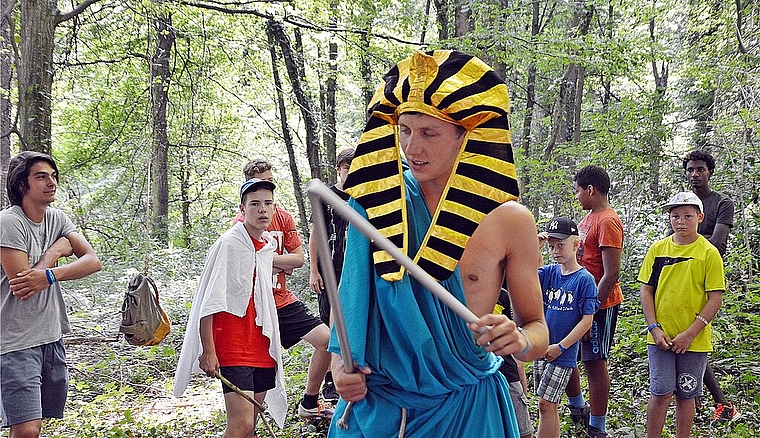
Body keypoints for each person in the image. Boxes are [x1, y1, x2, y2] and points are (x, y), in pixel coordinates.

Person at [328, 50, 548, 437]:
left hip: (469, 409)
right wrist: (337, 368)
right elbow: (349, 304)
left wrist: (520, 339)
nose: (413, 148)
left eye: (429, 133)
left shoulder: (511, 221)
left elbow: (537, 330)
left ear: (467, 134)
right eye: (405, 130)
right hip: (383, 408)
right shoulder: (375, 205)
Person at [173, 178, 288, 434]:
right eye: (255, 204)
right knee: (241, 424)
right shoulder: (229, 243)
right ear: (242, 208)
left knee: (251, 427)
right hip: (232, 344)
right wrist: (208, 351)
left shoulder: (266, 247)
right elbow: (209, 301)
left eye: (268, 204)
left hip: (261, 344)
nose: (262, 210)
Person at [1, 151, 102, 437]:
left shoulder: (58, 217)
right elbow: (25, 286)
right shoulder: (9, 223)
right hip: (15, 342)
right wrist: (55, 253)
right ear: (22, 185)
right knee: (26, 428)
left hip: (50, 335)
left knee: (35, 424)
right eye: (41, 177)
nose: (51, 182)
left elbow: (93, 260)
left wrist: (49, 273)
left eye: (53, 176)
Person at [236, 159, 334, 420]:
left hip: (282, 299)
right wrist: (278, 262)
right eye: (259, 184)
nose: (263, 203)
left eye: (270, 183)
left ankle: (310, 402)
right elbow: (245, 263)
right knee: (259, 368)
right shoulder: (241, 221)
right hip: (254, 304)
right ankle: (249, 424)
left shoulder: (282, 216)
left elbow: (298, 259)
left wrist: (268, 260)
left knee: (327, 340)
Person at [638, 191, 725, 438]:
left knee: (688, 392)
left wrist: (690, 333)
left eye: (687, 216)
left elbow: (715, 298)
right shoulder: (657, 249)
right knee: (661, 391)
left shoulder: (708, 253)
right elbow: (647, 290)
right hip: (661, 337)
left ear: (700, 217)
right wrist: (654, 328)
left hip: (694, 341)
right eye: (675, 216)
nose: (681, 221)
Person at [676, 149, 739, 425]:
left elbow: (718, 242)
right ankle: (702, 396)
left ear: (709, 172)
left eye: (700, 169)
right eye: (690, 170)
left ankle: (721, 402)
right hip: (679, 278)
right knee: (684, 334)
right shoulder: (682, 204)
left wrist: (693, 241)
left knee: (696, 335)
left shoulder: (721, 203)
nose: (694, 174)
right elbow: (673, 240)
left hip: (707, 278)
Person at [565, 164, 623, 438]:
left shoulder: (608, 220)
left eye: (578, 190)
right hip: (577, 300)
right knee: (567, 352)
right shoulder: (588, 218)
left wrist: (590, 310)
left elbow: (611, 273)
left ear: (590, 189)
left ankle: (597, 426)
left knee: (594, 361)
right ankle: (578, 407)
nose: (576, 196)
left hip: (600, 303)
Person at [534, 217, 599, 438]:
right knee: (546, 405)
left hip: (562, 351)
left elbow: (586, 321)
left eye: (560, 245)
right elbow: (528, 275)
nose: (555, 251)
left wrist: (561, 347)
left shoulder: (584, 279)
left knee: (546, 402)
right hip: (542, 347)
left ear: (575, 244)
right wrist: (537, 247)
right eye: (552, 246)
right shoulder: (550, 273)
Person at [308, 148, 354, 402]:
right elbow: (317, 233)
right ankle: (329, 380)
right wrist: (314, 270)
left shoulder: (362, 195)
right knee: (328, 324)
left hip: (354, 268)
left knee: (351, 320)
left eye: (353, 166)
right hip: (330, 268)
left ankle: (348, 369)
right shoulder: (327, 196)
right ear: (338, 168)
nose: (349, 171)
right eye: (346, 167)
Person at [495, 289, 536, 438]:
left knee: (522, 431)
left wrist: (522, 391)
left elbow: (517, 347)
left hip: (508, 374)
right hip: (479, 377)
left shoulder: (503, 295)